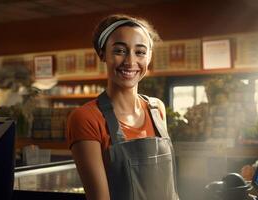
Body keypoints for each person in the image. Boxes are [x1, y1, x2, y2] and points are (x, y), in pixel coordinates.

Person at [66, 14, 179, 200]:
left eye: (140, 52)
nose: (130, 62)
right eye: (119, 51)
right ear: (102, 54)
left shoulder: (156, 109)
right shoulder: (86, 118)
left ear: (149, 56)